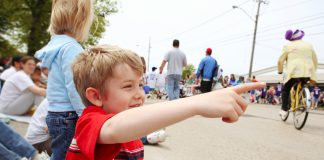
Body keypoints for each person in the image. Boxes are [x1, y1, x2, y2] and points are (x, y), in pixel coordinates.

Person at [65, 45, 265, 160]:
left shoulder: (130, 128)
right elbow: (115, 128)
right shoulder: (90, 121)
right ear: (96, 97)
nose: (139, 94)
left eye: (140, 84)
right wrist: (195, 103)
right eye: (128, 86)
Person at [34, 0, 94, 159]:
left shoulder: (54, 45)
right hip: (69, 115)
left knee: (60, 152)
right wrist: (85, 114)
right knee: (66, 156)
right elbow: (74, 86)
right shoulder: (71, 48)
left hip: (55, 113)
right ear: (83, 19)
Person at [278, 29, 318, 118]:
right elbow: (315, 60)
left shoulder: (288, 45)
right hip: (308, 72)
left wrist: (280, 70)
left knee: (286, 89)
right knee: (298, 87)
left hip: (294, 72)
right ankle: (301, 100)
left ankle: (284, 110)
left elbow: (280, 61)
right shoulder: (309, 45)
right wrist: (313, 70)